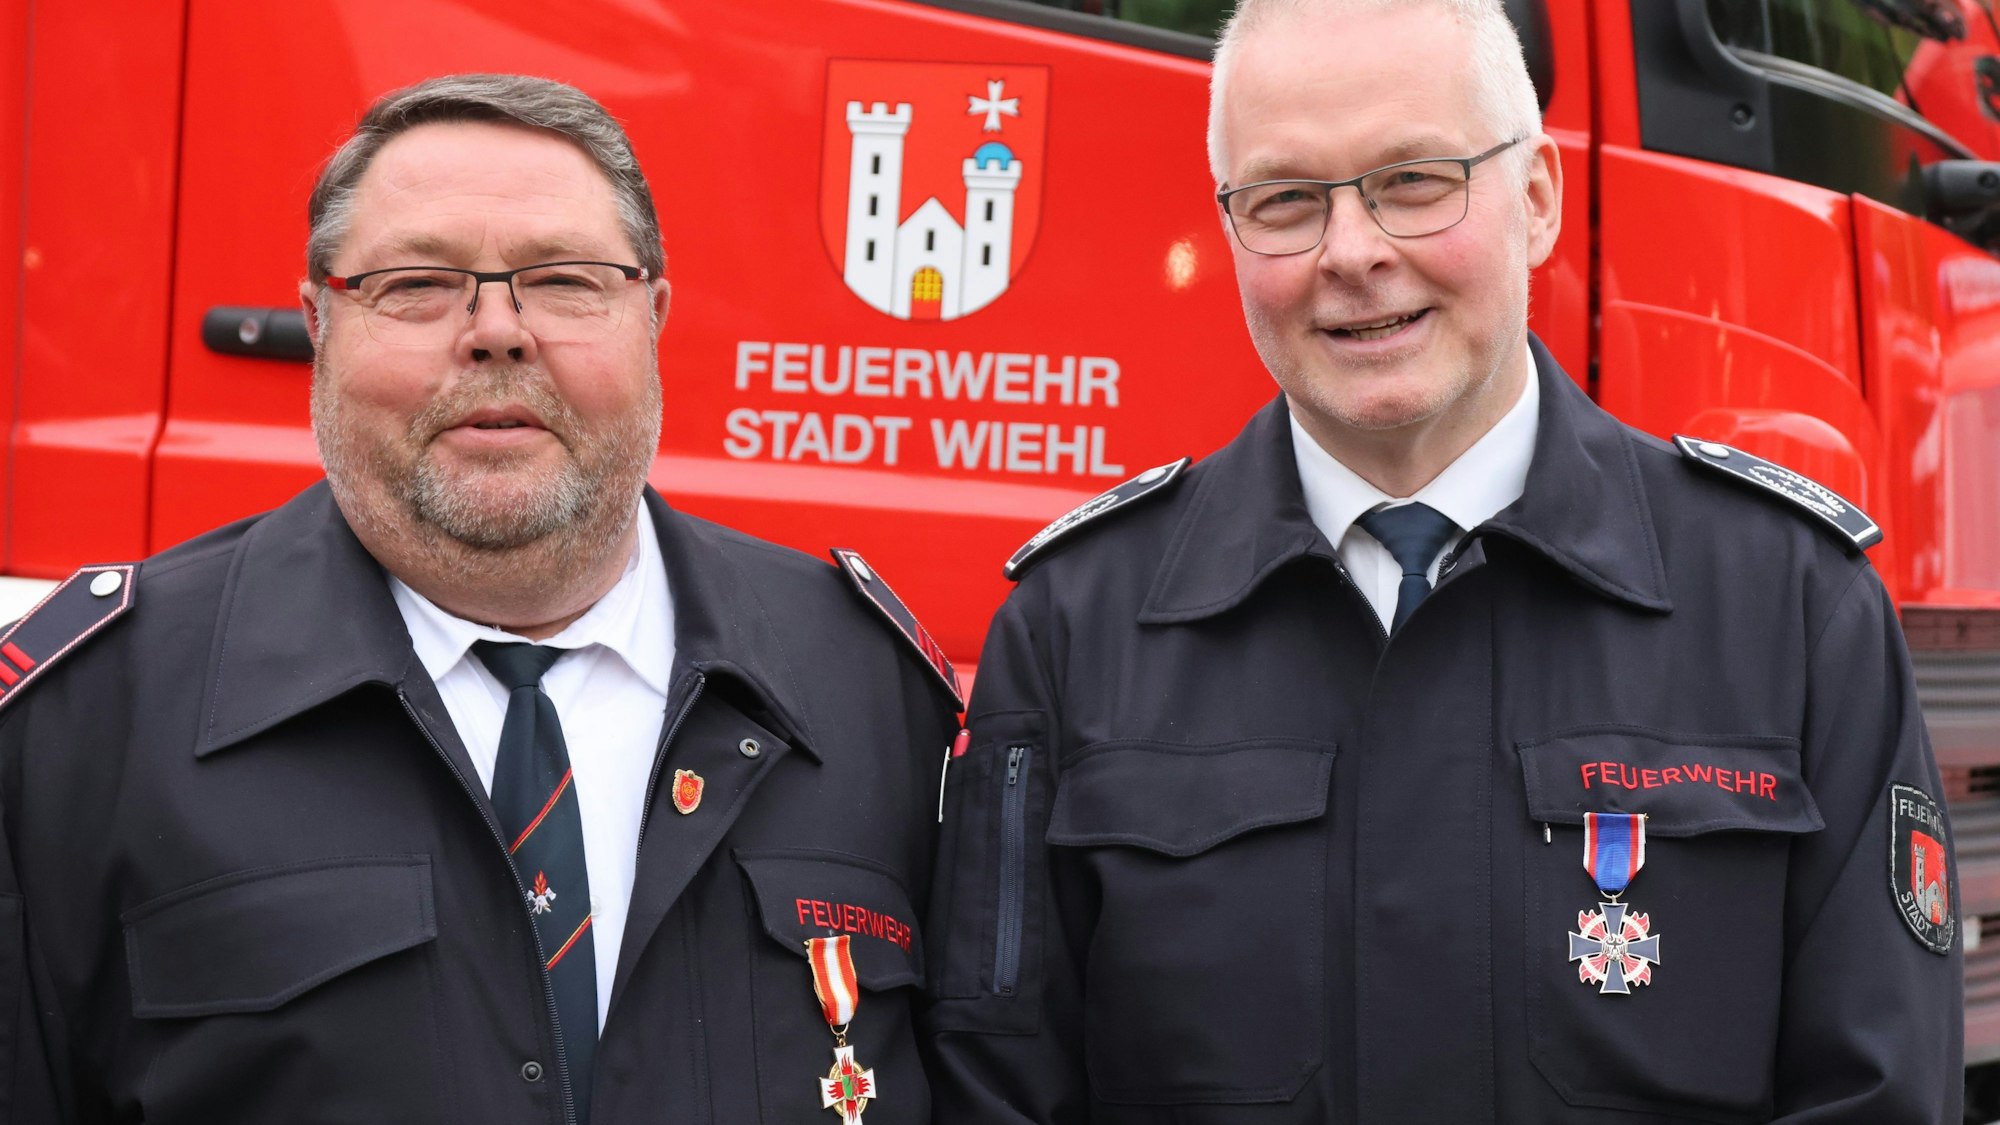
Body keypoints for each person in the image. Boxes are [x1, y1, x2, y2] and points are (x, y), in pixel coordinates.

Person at [920, 1, 1963, 1121]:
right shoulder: (1074, 629)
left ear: (1537, 199)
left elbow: (1878, 1094)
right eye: (1285, 201)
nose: (1351, 253)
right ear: (1230, 235)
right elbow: (998, 1092)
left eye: (1414, 181)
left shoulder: (1790, 609)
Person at [0, 74, 959, 1124]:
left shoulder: (866, 691)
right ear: (319, 323)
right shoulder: (88, 726)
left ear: (651, 315)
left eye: (564, 280)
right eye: (417, 283)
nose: (498, 330)